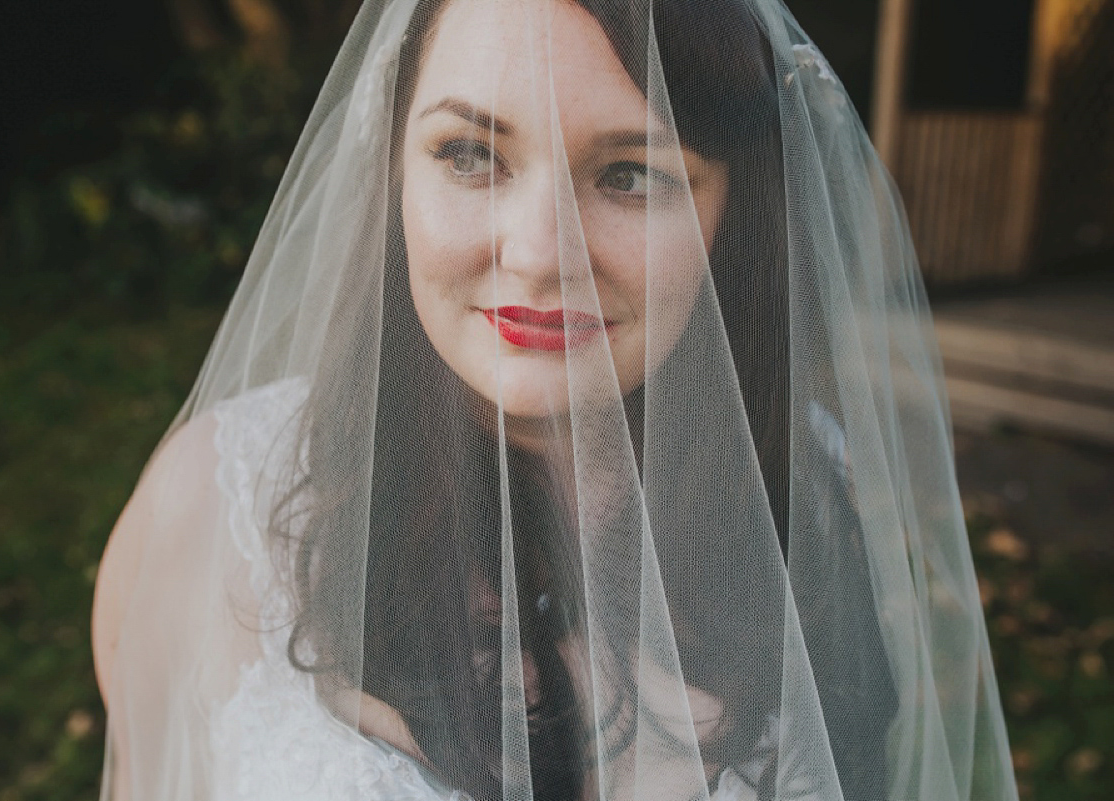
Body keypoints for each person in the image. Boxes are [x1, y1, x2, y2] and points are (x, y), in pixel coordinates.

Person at [92, 0, 1020, 799]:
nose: (540, 254)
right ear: (393, 169)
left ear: (734, 212)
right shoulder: (212, 510)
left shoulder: (812, 493)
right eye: (469, 153)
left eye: (630, 174)